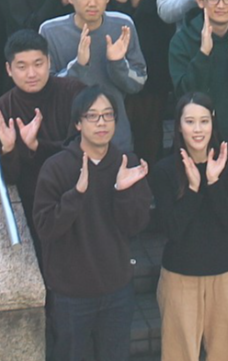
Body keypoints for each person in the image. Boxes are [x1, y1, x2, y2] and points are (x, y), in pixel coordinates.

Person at [32, 86, 151, 361]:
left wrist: (122, 191)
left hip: (117, 290)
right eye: (93, 116)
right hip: (71, 295)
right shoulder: (57, 167)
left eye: (108, 115)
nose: (101, 123)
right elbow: (45, 227)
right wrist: (76, 195)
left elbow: (136, 225)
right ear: (78, 123)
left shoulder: (127, 163)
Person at [151, 92, 228, 361]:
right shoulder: (164, 170)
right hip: (180, 276)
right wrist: (193, 190)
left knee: (227, 353)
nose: (197, 129)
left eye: (204, 121)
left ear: (213, 122)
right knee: (178, 355)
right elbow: (171, 229)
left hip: (227, 274)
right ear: (178, 125)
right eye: (190, 121)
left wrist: (213, 183)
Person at [0, 29, 85, 261]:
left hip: (80, 196)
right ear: (9, 69)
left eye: (38, 64)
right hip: (37, 208)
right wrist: (9, 150)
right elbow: (10, 178)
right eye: (22, 67)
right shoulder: (2, 111)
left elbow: (82, 150)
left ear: (49, 62)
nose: (31, 73)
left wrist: (35, 147)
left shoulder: (73, 92)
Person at [40, 0, 147, 153]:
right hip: (69, 142)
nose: (92, 3)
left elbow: (138, 83)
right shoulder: (50, 31)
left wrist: (117, 63)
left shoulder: (123, 25)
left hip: (116, 140)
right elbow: (47, 90)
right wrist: (78, 65)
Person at [97, 0, 172, 165]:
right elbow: (111, 16)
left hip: (147, 56)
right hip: (106, 58)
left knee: (148, 132)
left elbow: (147, 13)